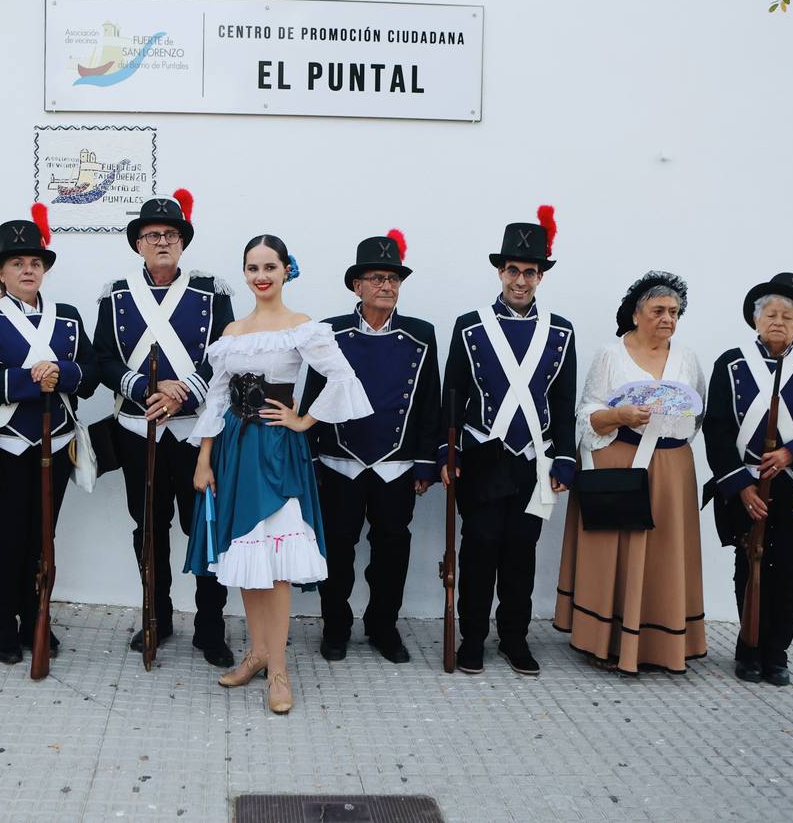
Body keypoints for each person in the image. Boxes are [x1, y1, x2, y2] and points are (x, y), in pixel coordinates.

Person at [185, 236, 372, 714]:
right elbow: (217, 398)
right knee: (248, 556)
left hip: (276, 451)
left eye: (270, 266)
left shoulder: (301, 327)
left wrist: (304, 420)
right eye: (253, 268)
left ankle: (280, 670)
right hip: (234, 452)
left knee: (277, 564)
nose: (261, 275)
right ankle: (257, 654)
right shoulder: (233, 330)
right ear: (245, 273)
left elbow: (344, 377)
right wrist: (205, 459)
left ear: (287, 270)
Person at [93, 191, 236, 667]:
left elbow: (224, 356)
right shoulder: (116, 296)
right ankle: (157, 616)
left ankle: (210, 627)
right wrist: (143, 388)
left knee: (205, 528)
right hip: (140, 432)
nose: (161, 242)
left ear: (182, 242)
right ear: (138, 243)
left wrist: (184, 392)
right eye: (151, 235)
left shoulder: (212, 293)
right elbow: (102, 359)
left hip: (198, 434)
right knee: (149, 528)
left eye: (170, 234)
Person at [440, 207, 576, 677]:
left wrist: (565, 460)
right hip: (483, 453)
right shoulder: (470, 326)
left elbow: (563, 400)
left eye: (529, 272)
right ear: (500, 272)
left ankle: (515, 638)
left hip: (533, 458)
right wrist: (448, 454)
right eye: (513, 270)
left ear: (540, 276)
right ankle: (472, 639)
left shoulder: (560, 330)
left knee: (522, 553)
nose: (520, 280)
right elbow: (453, 395)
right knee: (479, 549)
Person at [553, 271, 708, 673]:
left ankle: (661, 644)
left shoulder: (687, 358)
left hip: (672, 470)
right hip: (619, 463)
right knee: (614, 554)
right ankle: (602, 641)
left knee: (664, 556)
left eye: (674, 312)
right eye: (658, 310)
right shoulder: (611, 355)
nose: (667, 318)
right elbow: (586, 412)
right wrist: (619, 415)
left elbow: (698, 412)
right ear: (637, 314)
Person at [0, 205, 99, 664]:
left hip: (56, 443)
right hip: (5, 446)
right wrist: (27, 381)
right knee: (6, 539)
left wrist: (63, 374)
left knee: (44, 537)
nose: (28, 270)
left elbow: (92, 372)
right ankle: (3, 623)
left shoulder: (68, 316)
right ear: (0, 272)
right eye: (17, 262)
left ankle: (36, 616)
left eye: (35, 262)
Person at [703, 273, 793, 687]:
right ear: (756, 319)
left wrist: (792, 452)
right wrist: (740, 485)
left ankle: (776, 651)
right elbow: (717, 429)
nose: (778, 322)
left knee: (789, 572)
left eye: (788, 315)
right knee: (749, 565)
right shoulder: (731, 363)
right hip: (747, 484)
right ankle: (749, 649)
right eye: (770, 313)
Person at [303, 231, 441, 664]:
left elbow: (428, 403)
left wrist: (425, 463)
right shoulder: (330, 333)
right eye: (377, 278)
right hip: (339, 461)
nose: (386, 286)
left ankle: (383, 627)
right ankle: (335, 627)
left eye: (393, 279)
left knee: (392, 552)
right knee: (337, 550)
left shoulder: (421, 335)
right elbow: (312, 400)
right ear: (357, 285)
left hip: (395, 465)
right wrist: (310, 459)